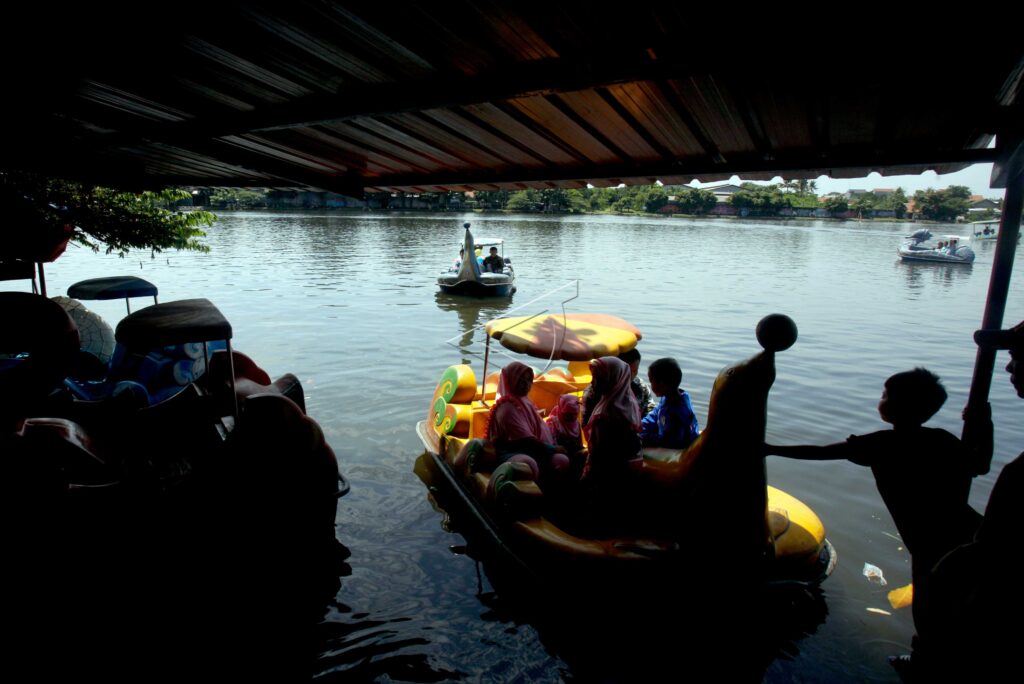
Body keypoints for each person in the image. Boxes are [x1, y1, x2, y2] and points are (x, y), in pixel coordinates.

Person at [765, 368, 988, 677]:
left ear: (899, 406)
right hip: (970, 530)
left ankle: (924, 664)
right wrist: (984, 422)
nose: (880, 400)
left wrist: (771, 449)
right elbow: (981, 463)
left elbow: (821, 453)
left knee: (929, 606)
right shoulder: (942, 440)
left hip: (929, 540)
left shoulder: (883, 444)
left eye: (885, 395)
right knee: (959, 599)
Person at [914, 320, 1024, 681]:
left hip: (960, 557)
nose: (1008, 365)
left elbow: (989, 549)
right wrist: (985, 424)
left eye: (1018, 356)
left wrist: (947, 570)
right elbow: (979, 463)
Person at [486, 361, 569, 481]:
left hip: (534, 447)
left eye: (529, 380)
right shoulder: (507, 408)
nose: (526, 385)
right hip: (510, 450)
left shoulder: (525, 401)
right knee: (527, 464)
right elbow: (525, 441)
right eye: (521, 381)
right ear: (512, 381)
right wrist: (552, 449)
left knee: (561, 460)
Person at [581, 356, 643, 490]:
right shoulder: (628, 400)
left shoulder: (608, 412)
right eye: (593, 377)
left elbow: (601, 453)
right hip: (634, 463)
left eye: (598, 379)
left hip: (612, 471)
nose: (592, 382)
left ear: (613, 379)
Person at [582, 347, 654, 424]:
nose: (631, 375)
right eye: (627, 370)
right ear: (617, 370)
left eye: (635, 370)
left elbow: (650, 408)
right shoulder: (597, 390)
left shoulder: (641, 386)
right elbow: (587, 420)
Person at [640, 358, 699, 449]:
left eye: (651, 381)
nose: (650, 385)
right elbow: (656, 414)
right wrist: (640, 426)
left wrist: (644, 436)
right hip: (666, 436)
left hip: (679, 450)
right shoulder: (668, 397)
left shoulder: (678, 412)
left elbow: (669, 441)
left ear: (663, 384)